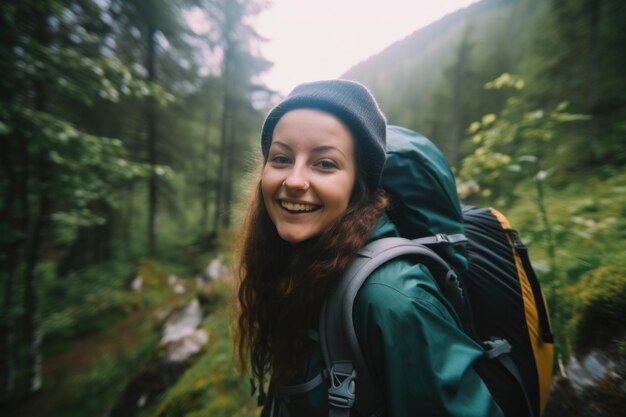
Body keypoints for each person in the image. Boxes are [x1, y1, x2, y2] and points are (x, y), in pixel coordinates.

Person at [233, 79, 504, 417]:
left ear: (358, 184)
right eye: (281, 158)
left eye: (325, 163)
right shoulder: (300, 262)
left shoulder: (392, 298)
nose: (294, 180)